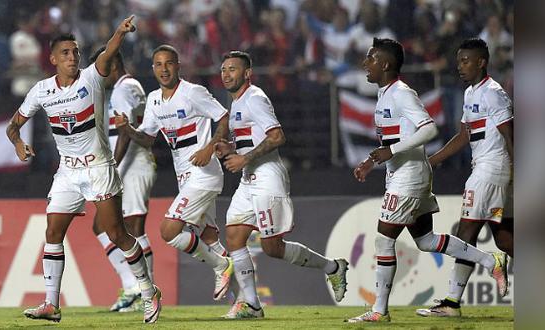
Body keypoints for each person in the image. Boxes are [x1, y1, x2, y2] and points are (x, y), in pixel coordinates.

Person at [6, 16, 162, 324]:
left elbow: (107, 53)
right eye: (65, 53)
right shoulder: (41, 90)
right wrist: (18, 144)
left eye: (75, 52)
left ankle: (148, 291)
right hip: (67, 173)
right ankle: (52, 304)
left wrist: (118, 31)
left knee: (116, 233)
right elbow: (14, 125)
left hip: (99, 167)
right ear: (52, 59)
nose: (72, 57)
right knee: (52, 232)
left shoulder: (91, 78)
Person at [346, 38, 508, 323]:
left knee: (384, 241)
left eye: (370, 59)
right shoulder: (385, 95)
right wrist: (371, 161)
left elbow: (429, 128)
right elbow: (395, 140)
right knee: (426, 240)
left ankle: (379, 311)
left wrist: (392, 152)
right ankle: (489, 260)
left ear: (385, 64)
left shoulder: (401, 94)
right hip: (404, 174)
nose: (365, 64)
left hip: (411, 178)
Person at [215, 51, 349, 319]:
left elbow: (277, 136)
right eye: (224, 69)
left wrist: (245, 158)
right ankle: (252, 304)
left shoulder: (255, 98)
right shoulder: (237, 103)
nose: (227, 74)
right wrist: (230, 148)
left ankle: (333, 268)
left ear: (247, 73)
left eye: (233, 69)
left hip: (267, 177)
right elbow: (252, 139)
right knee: (233, 237)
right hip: (249, 179)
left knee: (272, 247)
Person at [114, 44, 234, 304]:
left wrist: (211, 146)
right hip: (184, 176)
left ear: (178, 66)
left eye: (169, 63)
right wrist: (127, 129)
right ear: (153, 69)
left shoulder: (193, 93)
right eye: (158, 64)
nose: (164, 69)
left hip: (204, 172)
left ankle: (220, 266)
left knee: (169, 231)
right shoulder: (155, 100)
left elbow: (224, 117)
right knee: (210, 237)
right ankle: (246, 301)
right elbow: (146, 139)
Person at [416, 37, 513, 318]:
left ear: (482, 62)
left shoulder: (493, 93)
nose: (460, 66)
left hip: (491, 170)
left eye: (466, 61)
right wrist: (431, 161)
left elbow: (510, 135)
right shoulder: (471, 93)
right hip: (486, 169)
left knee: (465, 233)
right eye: (459, 61)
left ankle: (452, 303)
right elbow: (463, 136)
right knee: (505, 239)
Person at [88, 47, 157, 312]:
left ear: (113, 64)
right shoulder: (124, 88)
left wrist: (113, 167)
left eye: (101, 67)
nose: (98, 74)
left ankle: (146, 292)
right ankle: (132, 287)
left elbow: (125, 131)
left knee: (134, 228)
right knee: (102, 226)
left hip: (133, 164)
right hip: (127, 164)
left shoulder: (124, 89)